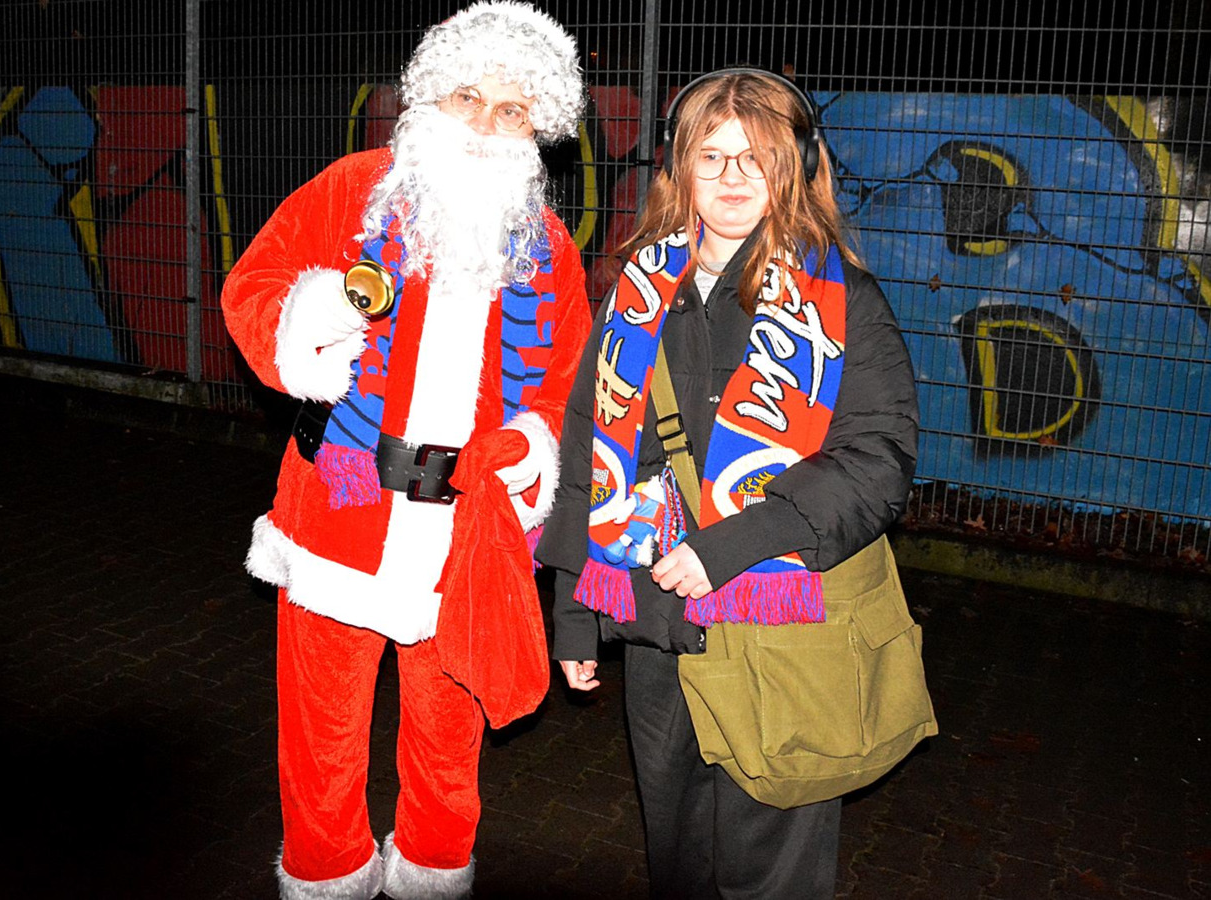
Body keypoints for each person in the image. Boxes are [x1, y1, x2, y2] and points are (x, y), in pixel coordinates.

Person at [220, 4, 590, 898]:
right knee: (321, 727)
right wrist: (303, 324)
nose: (486, 124)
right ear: (430, 98)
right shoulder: (351, 189)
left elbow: (567, 377)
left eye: (512, 110)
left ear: (536, 127)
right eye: (468, 97)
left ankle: (432, 868)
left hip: (468, 524)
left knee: (448, 730)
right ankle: (326, 870)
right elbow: (254, 284)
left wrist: (534, 439)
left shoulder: (545, 243)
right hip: (339, 500)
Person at [538, 68, 920, 898]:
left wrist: (734, 544)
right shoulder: (637, 291)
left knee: (770, 873)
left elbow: (878, 459)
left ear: (797, 167)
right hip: (656, 624)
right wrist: (573, 615)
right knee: (678, 862)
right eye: (711, 156)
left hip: (781, 623)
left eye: (759, 157)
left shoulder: (842, 299)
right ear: (680, 168)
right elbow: (588, 448)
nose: (733, 178)